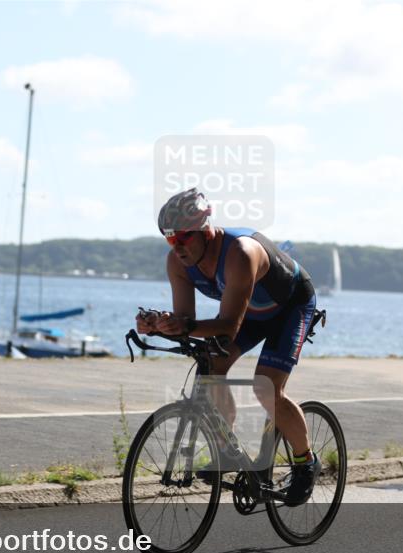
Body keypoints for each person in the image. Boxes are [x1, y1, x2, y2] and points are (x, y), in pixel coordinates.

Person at [136, 188, 319, 505]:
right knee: (212, 365)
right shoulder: (177, 262)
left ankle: (306, 463)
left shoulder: (240, 252)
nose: (177, 247)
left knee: (266, 389)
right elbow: (186, 321)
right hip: (249, 312)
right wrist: (159, 326)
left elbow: (228, 325)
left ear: (205, 230)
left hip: (290, 307)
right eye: (169, 239)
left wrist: (185, 326)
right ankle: (228, 451)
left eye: (183, 238)